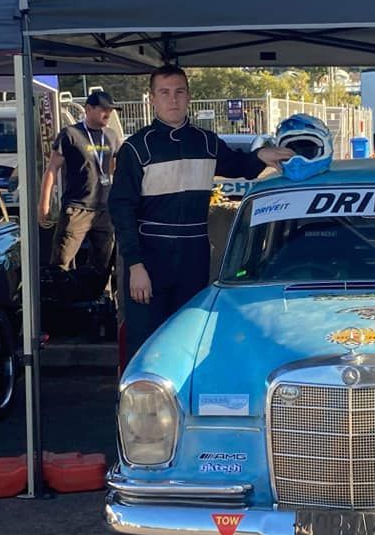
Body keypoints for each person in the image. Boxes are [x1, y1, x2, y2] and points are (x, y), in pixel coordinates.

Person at [108, 65, 294, 356]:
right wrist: (135, 266)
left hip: (193, 255)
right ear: (152, 99)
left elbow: (238, 165)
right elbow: (121, 210)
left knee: (188, 339)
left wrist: (262, 156)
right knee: (146, 343)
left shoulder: (206, 142)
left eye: (179, 92)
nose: (173, 100)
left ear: (189, 97)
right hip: (149, 256)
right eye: (165, 93)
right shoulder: (135, 148)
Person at [39, 90, 122, 278]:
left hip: (104, 209)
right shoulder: (70, 134)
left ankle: (101, 299)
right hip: (76, 208)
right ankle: (59, 300)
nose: (108, 113)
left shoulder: (111, 135)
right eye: (103, 109)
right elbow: (52, 168)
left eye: (111, 110)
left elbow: (115, 169)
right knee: (61, 261)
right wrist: (43, 204)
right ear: (88, 109)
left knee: (104, 263)